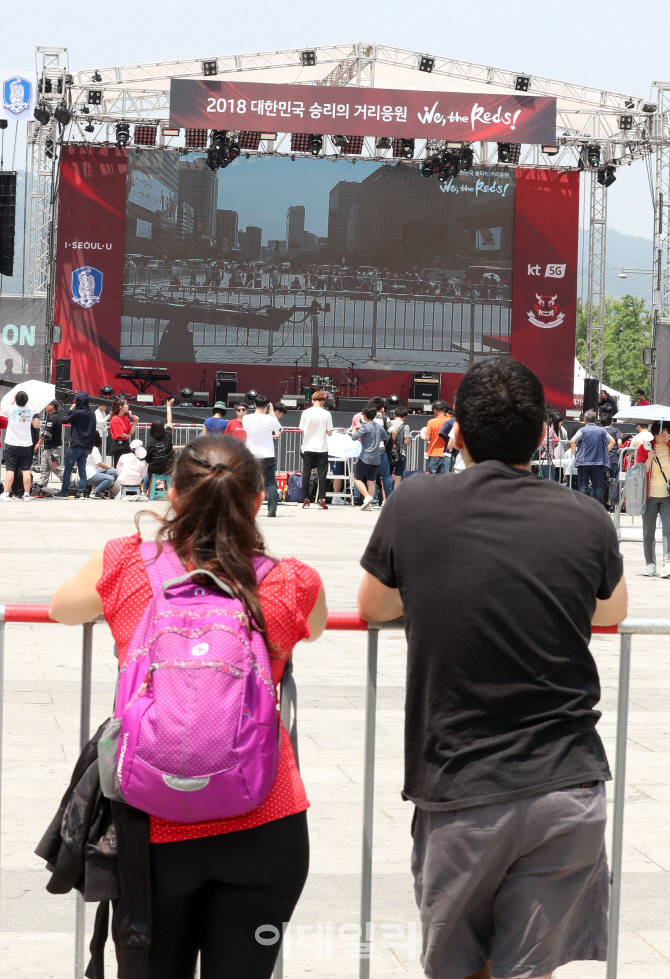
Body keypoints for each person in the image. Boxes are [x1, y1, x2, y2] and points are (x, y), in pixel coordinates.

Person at [357, 357, 627, 979]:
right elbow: (611, 607)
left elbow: (375, 606)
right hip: (568, 782)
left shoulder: (416, 502)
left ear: (457, 434)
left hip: (462, 785)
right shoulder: (587, 518)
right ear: (541, 435)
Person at [48, 435, 327, 979]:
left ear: (172, 496)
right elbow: (312, 630)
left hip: (152, 826)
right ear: (255, 501)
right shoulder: (289, 580)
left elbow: (62, 607)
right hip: (265, 820)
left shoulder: (128, 564)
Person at [636, 421, 670, 577]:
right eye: (663, 435)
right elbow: (638, 471)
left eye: (669, 435)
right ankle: (650, 564)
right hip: (649, 496)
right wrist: (648, 459)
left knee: (668, 530)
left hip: (667, 496)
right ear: (655, 434)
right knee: (648, 531)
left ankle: (667, 563)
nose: (666, 438)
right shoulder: (644, 448)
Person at [243, 394, 281, 518]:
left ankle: (249, 509)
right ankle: (272, 510)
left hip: (252, 455)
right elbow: (277, 429)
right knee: (270, 483)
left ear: (254, 404)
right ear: (267, 406)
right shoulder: (271, 419)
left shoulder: (246, 418)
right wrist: (272, 413)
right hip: (268, 455)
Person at [53, 392, 97, 500]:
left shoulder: (78, 413)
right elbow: (93, 431)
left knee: (68, 468)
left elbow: (64, 420)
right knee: (82, 469)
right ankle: (81, 492)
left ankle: (64, 492)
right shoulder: (92, 414)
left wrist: (71, 409)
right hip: (86, 446)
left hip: (76, 444)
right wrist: (91, 446)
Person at [0, 389, 38, 501]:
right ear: (26, 400)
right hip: (26, 444)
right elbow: (36, 426)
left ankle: (6, 493)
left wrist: (14, 398)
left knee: (10, 469)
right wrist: (24, 401)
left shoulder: (10, 409)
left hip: (12, 444)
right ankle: (26, 494)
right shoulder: (31, 409)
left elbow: (5, 407)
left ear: (16, 399)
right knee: (26, 469)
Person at [569, 410, 614, 505]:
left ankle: (583, 509)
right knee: (598, 489)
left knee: (583, 488)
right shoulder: (602, 430)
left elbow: (572, 441)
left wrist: (576, 454)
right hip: (598, 463)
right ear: (595, 420)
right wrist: (605, 451)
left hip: (584, 462)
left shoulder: (583, 430)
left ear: (585, 420)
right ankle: (598, 509)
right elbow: (612, 441)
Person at [351, 405, 390, 509]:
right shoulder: (379, 426)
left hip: (365, 456)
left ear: (364, 416)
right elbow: (386, 436)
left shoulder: (365, 427)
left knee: (357, 478)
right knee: (371, 480)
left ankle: (367, 497)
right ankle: (369, 503)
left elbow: (354, 437)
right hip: (376, 457)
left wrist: (354, 428)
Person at [299, 391, 333, 510]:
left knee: (306, 473)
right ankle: (321, 500)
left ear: (312, 400)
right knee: (322, 474)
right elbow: (329, 432)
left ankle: (306, 500)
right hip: (321, 447)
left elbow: (302, 429)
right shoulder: (327, 414)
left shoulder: (305, 413)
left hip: (307, 446)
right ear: (323, 401)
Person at [33, 400, 64, 497]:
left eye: (47, 405)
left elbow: (46, 434)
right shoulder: (55, 417)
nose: (45, 407)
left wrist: (38, 443)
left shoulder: (53, 418)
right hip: (48, 448)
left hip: (52, 449)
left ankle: (68, 485)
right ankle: (40, 489)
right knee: (44, 470)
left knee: (57, 469)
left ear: (52, 406)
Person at [145, 399, 175, 493]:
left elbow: (147, 459)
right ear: (163, 428)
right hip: (169, 467)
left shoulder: (150, 444)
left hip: (155, 468)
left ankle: (145, 490)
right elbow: (169, 421)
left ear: (152, 430)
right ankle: (173, 490)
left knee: (148, 472)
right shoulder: (168, 435)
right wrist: (168, 406)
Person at [602, 412, 623, 511]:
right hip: (614, 458)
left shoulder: (601, 431)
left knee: (602, 481)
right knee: (614, 481)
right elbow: (619, 443)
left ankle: (603, 502)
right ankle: (612, 505)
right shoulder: (616, 430)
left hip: (602, 460)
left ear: (601, 424)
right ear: (611, 422)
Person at [85, 432, 117, 498]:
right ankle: (95, 492)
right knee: (110, 479)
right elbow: (99, 464)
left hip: (95, 472)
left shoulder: (86, 447)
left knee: (116, 472)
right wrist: (110, 467)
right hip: (91, 474)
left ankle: (103, 490)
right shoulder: (94, 449)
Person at [109, 399, 139, 466]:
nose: (128, 406)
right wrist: (127, 435)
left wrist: (135, 422)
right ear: (120, 407)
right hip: (118, 446)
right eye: (126, 404)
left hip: (125, 444)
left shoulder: (125, 418)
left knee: (127, 466)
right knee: (119, 467)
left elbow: (131, 432)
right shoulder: (115, 418)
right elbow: (121, 435)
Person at [424, 400, 449, 474]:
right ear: (444, 409)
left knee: (432, 481)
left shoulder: (431, 422)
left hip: (434, 453)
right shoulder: (449, 421)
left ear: (435, 410)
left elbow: (427, 438)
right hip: (445, 454)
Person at [390, 406, 411, 487]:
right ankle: (395, 498)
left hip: (388, 453)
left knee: (386, 477)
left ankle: (385, 498)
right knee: (398, 478)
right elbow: (407, 442)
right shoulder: (405, 426)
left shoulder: (388, 424)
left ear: (394, 415)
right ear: (404, 417)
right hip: (400, 454)